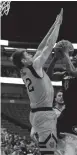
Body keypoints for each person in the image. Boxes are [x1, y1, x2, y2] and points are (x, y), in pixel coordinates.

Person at [11, 8, 63, 155]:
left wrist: (53, 24)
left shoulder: (25, 70)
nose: (30, 54)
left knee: (49, 149)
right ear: (23, 60)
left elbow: (41, 46)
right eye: (27, 54)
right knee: (48, 152)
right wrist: (59, 25)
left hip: (38, 113)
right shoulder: (35, 66)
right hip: (44, 114)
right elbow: (48, 45)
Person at [46, 40, 77, 155]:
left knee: (70, 141)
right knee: (57, 138)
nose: (75, 56)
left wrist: (65, 52)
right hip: (68, 110)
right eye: (74, 55)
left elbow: (73, 71)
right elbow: (48, 76)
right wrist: (55, 58)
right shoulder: (65, 73)